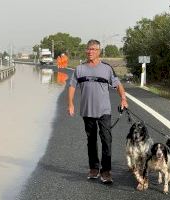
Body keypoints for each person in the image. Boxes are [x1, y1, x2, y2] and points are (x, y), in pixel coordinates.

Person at [68, 39, 128, 184]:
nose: (90, 52)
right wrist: (70, 104)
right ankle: (94, 169)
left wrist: (123, 99)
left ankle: (106, 172)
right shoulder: (80, 69)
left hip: (104, 111)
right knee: (91, 141)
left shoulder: (106, 69)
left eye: (93, 49)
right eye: (88, 49)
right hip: (87, 111)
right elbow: (72, 86)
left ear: (99, 51)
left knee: (106, 140)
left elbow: (117, 84)